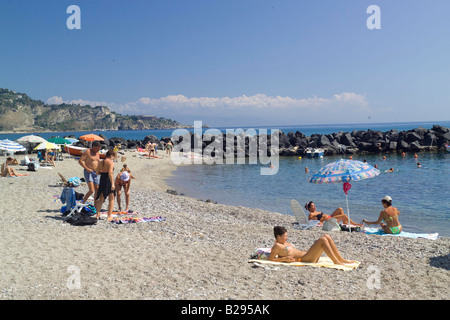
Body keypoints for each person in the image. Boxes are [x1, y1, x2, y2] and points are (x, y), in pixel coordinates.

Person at [269, 226, 355, 265]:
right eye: (284, 236)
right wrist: (284, 259)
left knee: (326, 236)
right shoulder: (276, 246)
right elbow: (271, 259)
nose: (286, 238)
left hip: (308, 256)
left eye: (286, 236)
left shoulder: (284, 243)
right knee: (322, 240)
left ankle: (340, 259)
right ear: (278, 236)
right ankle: (336, 261)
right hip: (305, 259)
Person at [94, 149, 115, 220]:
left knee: (101, 198)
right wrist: (112, 184)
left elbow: (97, 172)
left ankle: (97, 215)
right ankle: (109, 215)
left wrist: (102, 173)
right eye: (113, 156)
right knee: (111, 198)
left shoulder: (101, 162)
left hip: (102, 179)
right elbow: (110, 173)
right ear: (111, 156)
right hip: (108, 180)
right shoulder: (111, 162)